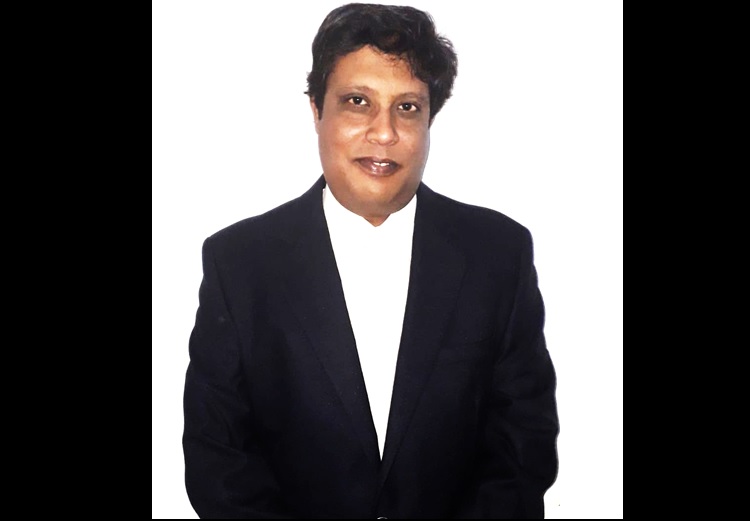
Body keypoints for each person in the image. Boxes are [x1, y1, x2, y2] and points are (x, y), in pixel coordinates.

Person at [182, 3, 559, 518]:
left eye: (407, 107)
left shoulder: (498, 254)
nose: (384, 133)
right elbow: (218, 459)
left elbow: (523, 445)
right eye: (358, 101)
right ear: (317, 109)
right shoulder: (239, 263)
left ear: (429, 119)